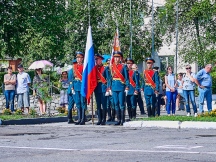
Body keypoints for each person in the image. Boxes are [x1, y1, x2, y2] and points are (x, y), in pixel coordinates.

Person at [111, 51, 129, 125]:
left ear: (120, 58)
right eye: (115, 57)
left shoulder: (123, 66)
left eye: (117, 57)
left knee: (122, 104)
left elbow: (127, 78)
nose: (116, 59)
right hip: (114, 87)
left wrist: (127, 87)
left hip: (121, 87)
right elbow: (109, 78)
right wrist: (109, 88)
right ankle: (118, 120)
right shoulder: (111, 66)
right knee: (116, 104)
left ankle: (122, 120)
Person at [70, 51, 87, 125]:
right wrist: (72, 87)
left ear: (82, 58)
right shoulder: (74, 67)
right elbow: (72, 79)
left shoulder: (84, 66)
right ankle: (79, 119)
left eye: (79, 57)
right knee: (78, 103)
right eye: (77, 57)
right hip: (76, 86)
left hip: (82, 86)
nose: (78, 59)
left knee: (83, 102)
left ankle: (83, 119)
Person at [94, 54, 111, 125]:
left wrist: (108, 88)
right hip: (97, 88)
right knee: (98, 104)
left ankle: (104, 119)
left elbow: (109, 79)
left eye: (98, 60)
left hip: (103, 87)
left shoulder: (105, 68)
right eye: (96, 60)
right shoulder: (94, 68)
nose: (97, 61)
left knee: (104, 104)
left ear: (101, 60)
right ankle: (99, 119)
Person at [67, 59, 77, 124]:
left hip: (71, 90)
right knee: (77, 104)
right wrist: (73, 89)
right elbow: (70, 81)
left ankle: (69, 118)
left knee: (71, 105)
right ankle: (69, 118)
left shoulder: (72, 70)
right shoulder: (72, 71)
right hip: (73, 90)